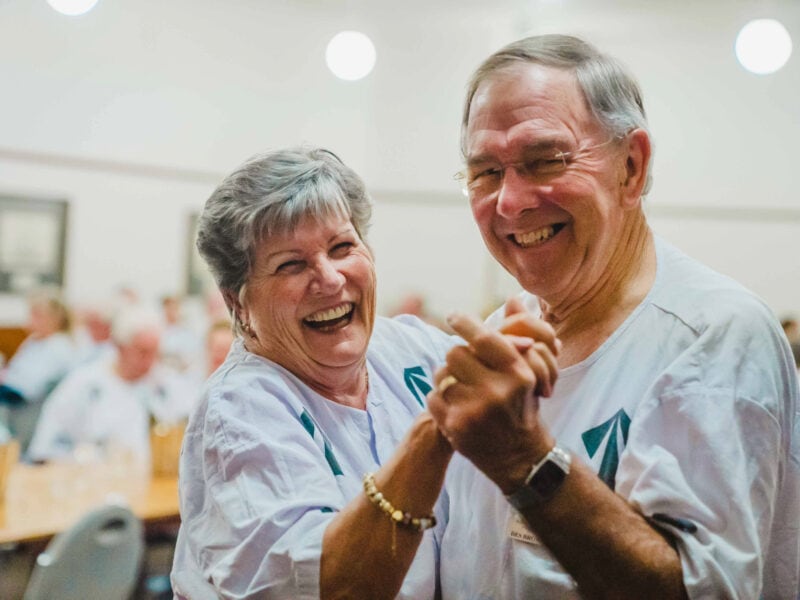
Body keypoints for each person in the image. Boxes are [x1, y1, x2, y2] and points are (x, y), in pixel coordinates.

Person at [428, 34, 800, 599]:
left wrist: (528, 462)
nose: (510, 201)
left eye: (545, 160)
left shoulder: (712, 336)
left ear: (631, 166)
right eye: (486, 172)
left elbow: (704, 590)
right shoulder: (501, 336)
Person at [170, 146, 560, 598]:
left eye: (342, 247)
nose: (331, 279)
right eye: (291, 265)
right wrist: (437, 428)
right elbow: (327, 589)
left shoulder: (411, 349)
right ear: (237, 302)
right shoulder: (239, 412)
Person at [27, 307, 196, 466]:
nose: (149, 361)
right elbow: (45, 448)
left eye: (155, 352)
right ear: (120, 347)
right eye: (142, 352)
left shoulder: (169, 385)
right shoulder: (84, 384)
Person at [0, 287, 76, 453]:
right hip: (16, 419)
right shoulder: (34, 341)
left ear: (54, 318)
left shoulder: (59, 348)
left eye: (36, 315)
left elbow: (23, 391)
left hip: (33, 424)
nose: (30, 320)